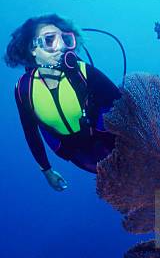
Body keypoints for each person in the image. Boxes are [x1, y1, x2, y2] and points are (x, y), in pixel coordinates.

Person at [5, 15, 122, 191]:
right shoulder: (23, 89)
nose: (61, 46)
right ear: (32, 49)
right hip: (75, 153)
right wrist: (46, 170)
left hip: (107, 140)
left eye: (64, 39)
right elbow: (30, 131)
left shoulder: (83, 72)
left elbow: (119, 101)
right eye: (50, 39)